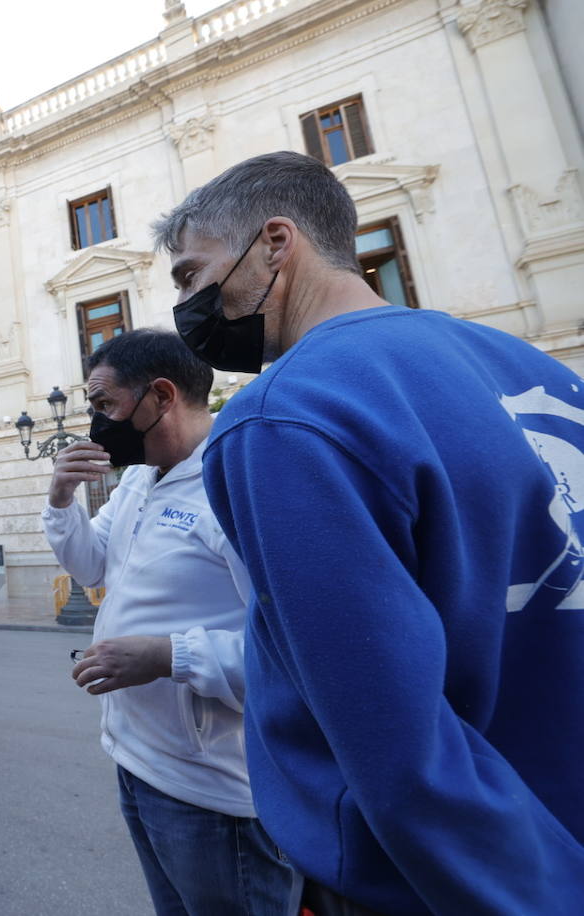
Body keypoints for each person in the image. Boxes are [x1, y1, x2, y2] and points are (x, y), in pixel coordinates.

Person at [152, 150, 584, 914]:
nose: (187, 304)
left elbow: (396, 749)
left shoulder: (287, 413)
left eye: (191, 274)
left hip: (456, 882)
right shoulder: (534, 368)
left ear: (277, 244)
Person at [43, 329, 297, 915]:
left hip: (213, 795)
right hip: (137, 762)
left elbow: (292, 656)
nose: (94, 421)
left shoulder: (234, 486)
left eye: (104, 405)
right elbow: (89, 562)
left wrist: (165, 656)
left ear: (160, 396)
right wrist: (61, 498)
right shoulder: (139, 477)